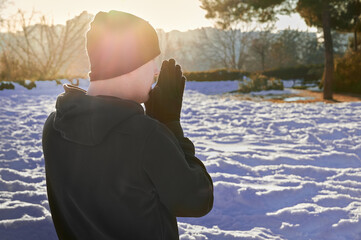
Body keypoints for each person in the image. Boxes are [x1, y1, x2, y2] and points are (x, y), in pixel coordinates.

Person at [42, 10, 213, 240]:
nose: (155, 70)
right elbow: (197, 200)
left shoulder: (55, 125)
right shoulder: (146, 137)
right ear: (131, 65)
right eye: (151, 60)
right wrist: (170, 126)